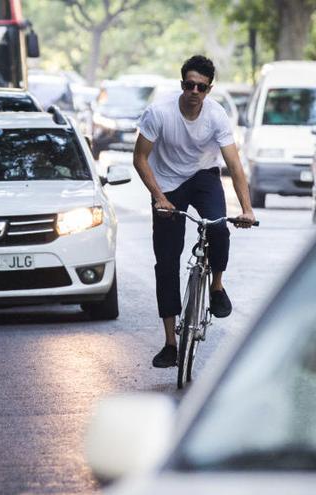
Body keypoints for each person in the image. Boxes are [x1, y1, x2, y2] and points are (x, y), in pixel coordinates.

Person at [132, 55, 257, 369]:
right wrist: (158, 197)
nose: (194, 92)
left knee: (218, 227)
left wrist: (246, 208)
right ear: (181, 85)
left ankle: (216, 287)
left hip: (203, 177)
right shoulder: (159, 113)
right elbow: (140, 159)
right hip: (167, 184)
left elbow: (234, 165)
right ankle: (170, 344)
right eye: (189, 85)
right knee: (167, 261)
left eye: (201, 87)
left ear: (209, 90)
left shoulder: (216, 116)